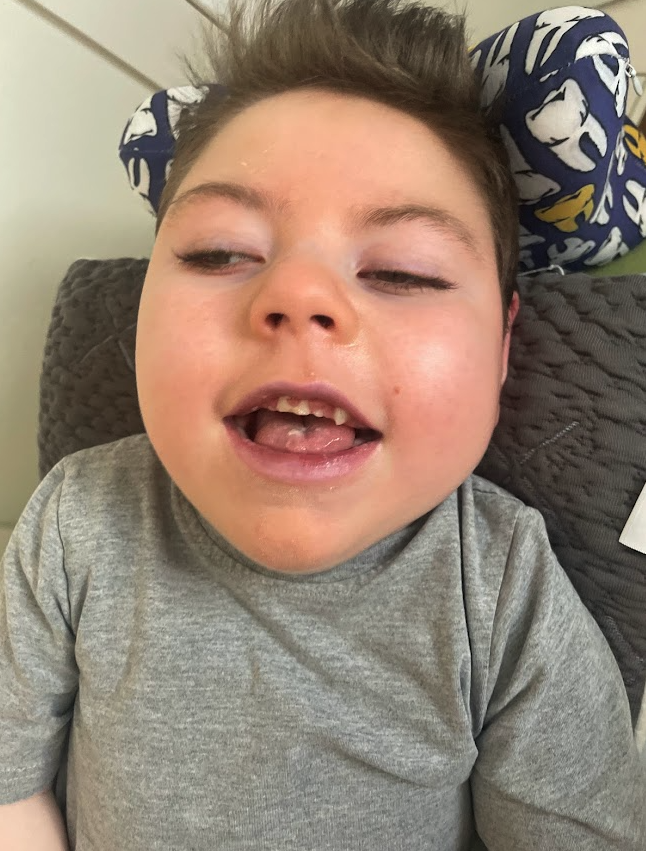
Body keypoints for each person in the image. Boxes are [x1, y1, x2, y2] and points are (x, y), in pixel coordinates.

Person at [1, 1, 644, 848]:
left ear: (500, 350)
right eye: (219, 253)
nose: (299, 297)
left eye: (403, 271)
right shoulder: (76, 519)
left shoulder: (499, 588)